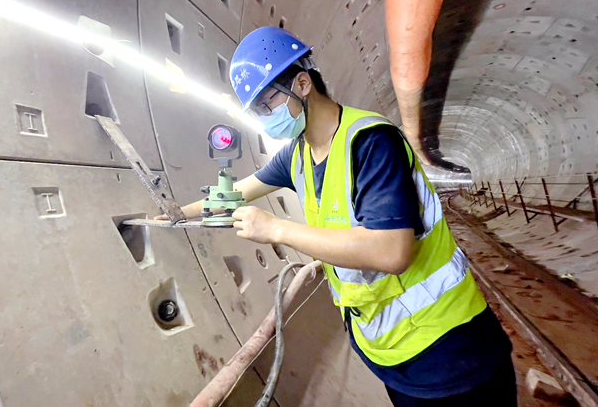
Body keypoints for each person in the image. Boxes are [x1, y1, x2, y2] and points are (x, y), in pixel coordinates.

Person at [174, 27, 516, 406]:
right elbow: (234, 193)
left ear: (302, 84)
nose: (264, 118)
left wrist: (276, 228)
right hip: (389, 354)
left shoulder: (370, 142)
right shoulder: (296, 155)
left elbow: (391, 252)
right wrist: (174, 214)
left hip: (451, 353)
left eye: (266, 104)